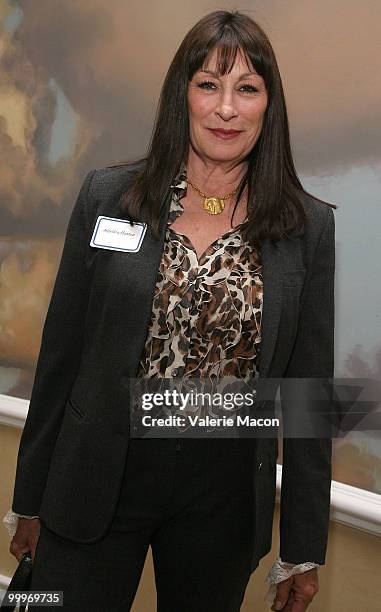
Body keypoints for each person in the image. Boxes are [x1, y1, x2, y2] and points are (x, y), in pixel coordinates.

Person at [4, 9, 336, 612]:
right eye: (208, 85)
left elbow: (308, 394)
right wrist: (29, 496)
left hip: (224, 492)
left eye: (247, 88)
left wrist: (305, 545)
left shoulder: (305, 227)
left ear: (270, 104)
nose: (226, 108)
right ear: (182, 96)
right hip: (98, 472)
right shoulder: (109, 199)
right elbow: (61, 357)